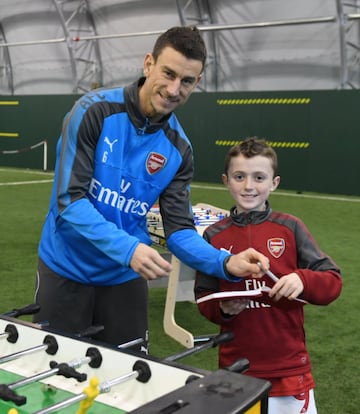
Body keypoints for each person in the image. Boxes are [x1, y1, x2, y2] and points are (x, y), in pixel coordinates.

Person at [33, 26, 269, 351]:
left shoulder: (180, 149)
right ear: (148, 65)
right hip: (65, 269)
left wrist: (224, 263)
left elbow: (179, 231)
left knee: (130, 384)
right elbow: (69, 202)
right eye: (168, 73)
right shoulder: (93, 112)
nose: (174, 89)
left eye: (186, 81)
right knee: (54, 382)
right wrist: (128, 250)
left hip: (122, 280)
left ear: (197, 83)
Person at [194, 137, 342, 414]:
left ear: (274, 183)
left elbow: (332, 282)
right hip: (236, 369)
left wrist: (302, 279)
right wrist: (223, 309)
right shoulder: (213, 236)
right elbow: (204, 299)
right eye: (240, 176)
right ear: (226, 180)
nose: (249, 186)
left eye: (259, 177)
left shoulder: (290, 227)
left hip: (288, 369)